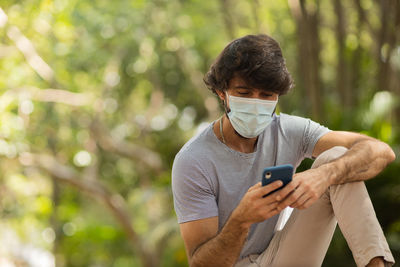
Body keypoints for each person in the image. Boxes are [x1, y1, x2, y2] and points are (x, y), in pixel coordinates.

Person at [171, 34, 395, 267]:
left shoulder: (288, 130)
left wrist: (323, 175)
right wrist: (241, 219)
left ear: (277, 96)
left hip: (282, 256)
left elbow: (380, 151)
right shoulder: (193, 160)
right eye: (244, 93)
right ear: (222, 93)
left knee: (336, 158)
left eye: (266, 95)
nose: (256, 103)